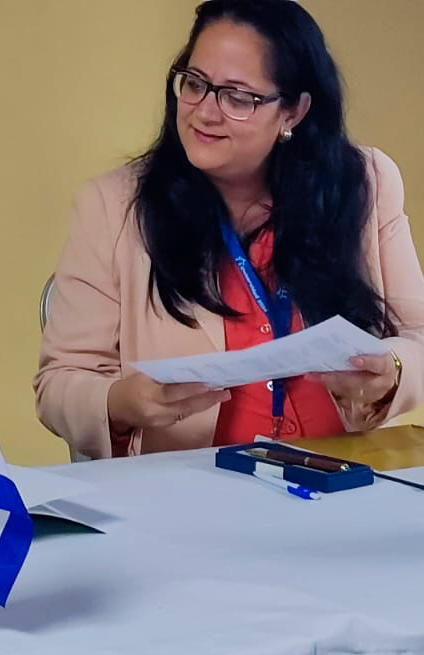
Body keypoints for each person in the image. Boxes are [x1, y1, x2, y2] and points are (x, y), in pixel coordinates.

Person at [35, 0, 424, 461]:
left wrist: (392, 370)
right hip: (193, 491)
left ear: (293, 113)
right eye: (195, 84)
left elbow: (417, 335)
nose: (204, 112)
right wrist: (122, 403)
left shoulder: (367, 183)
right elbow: (59, 382)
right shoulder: (113, 206)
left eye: (238, 97)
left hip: (345, 480)